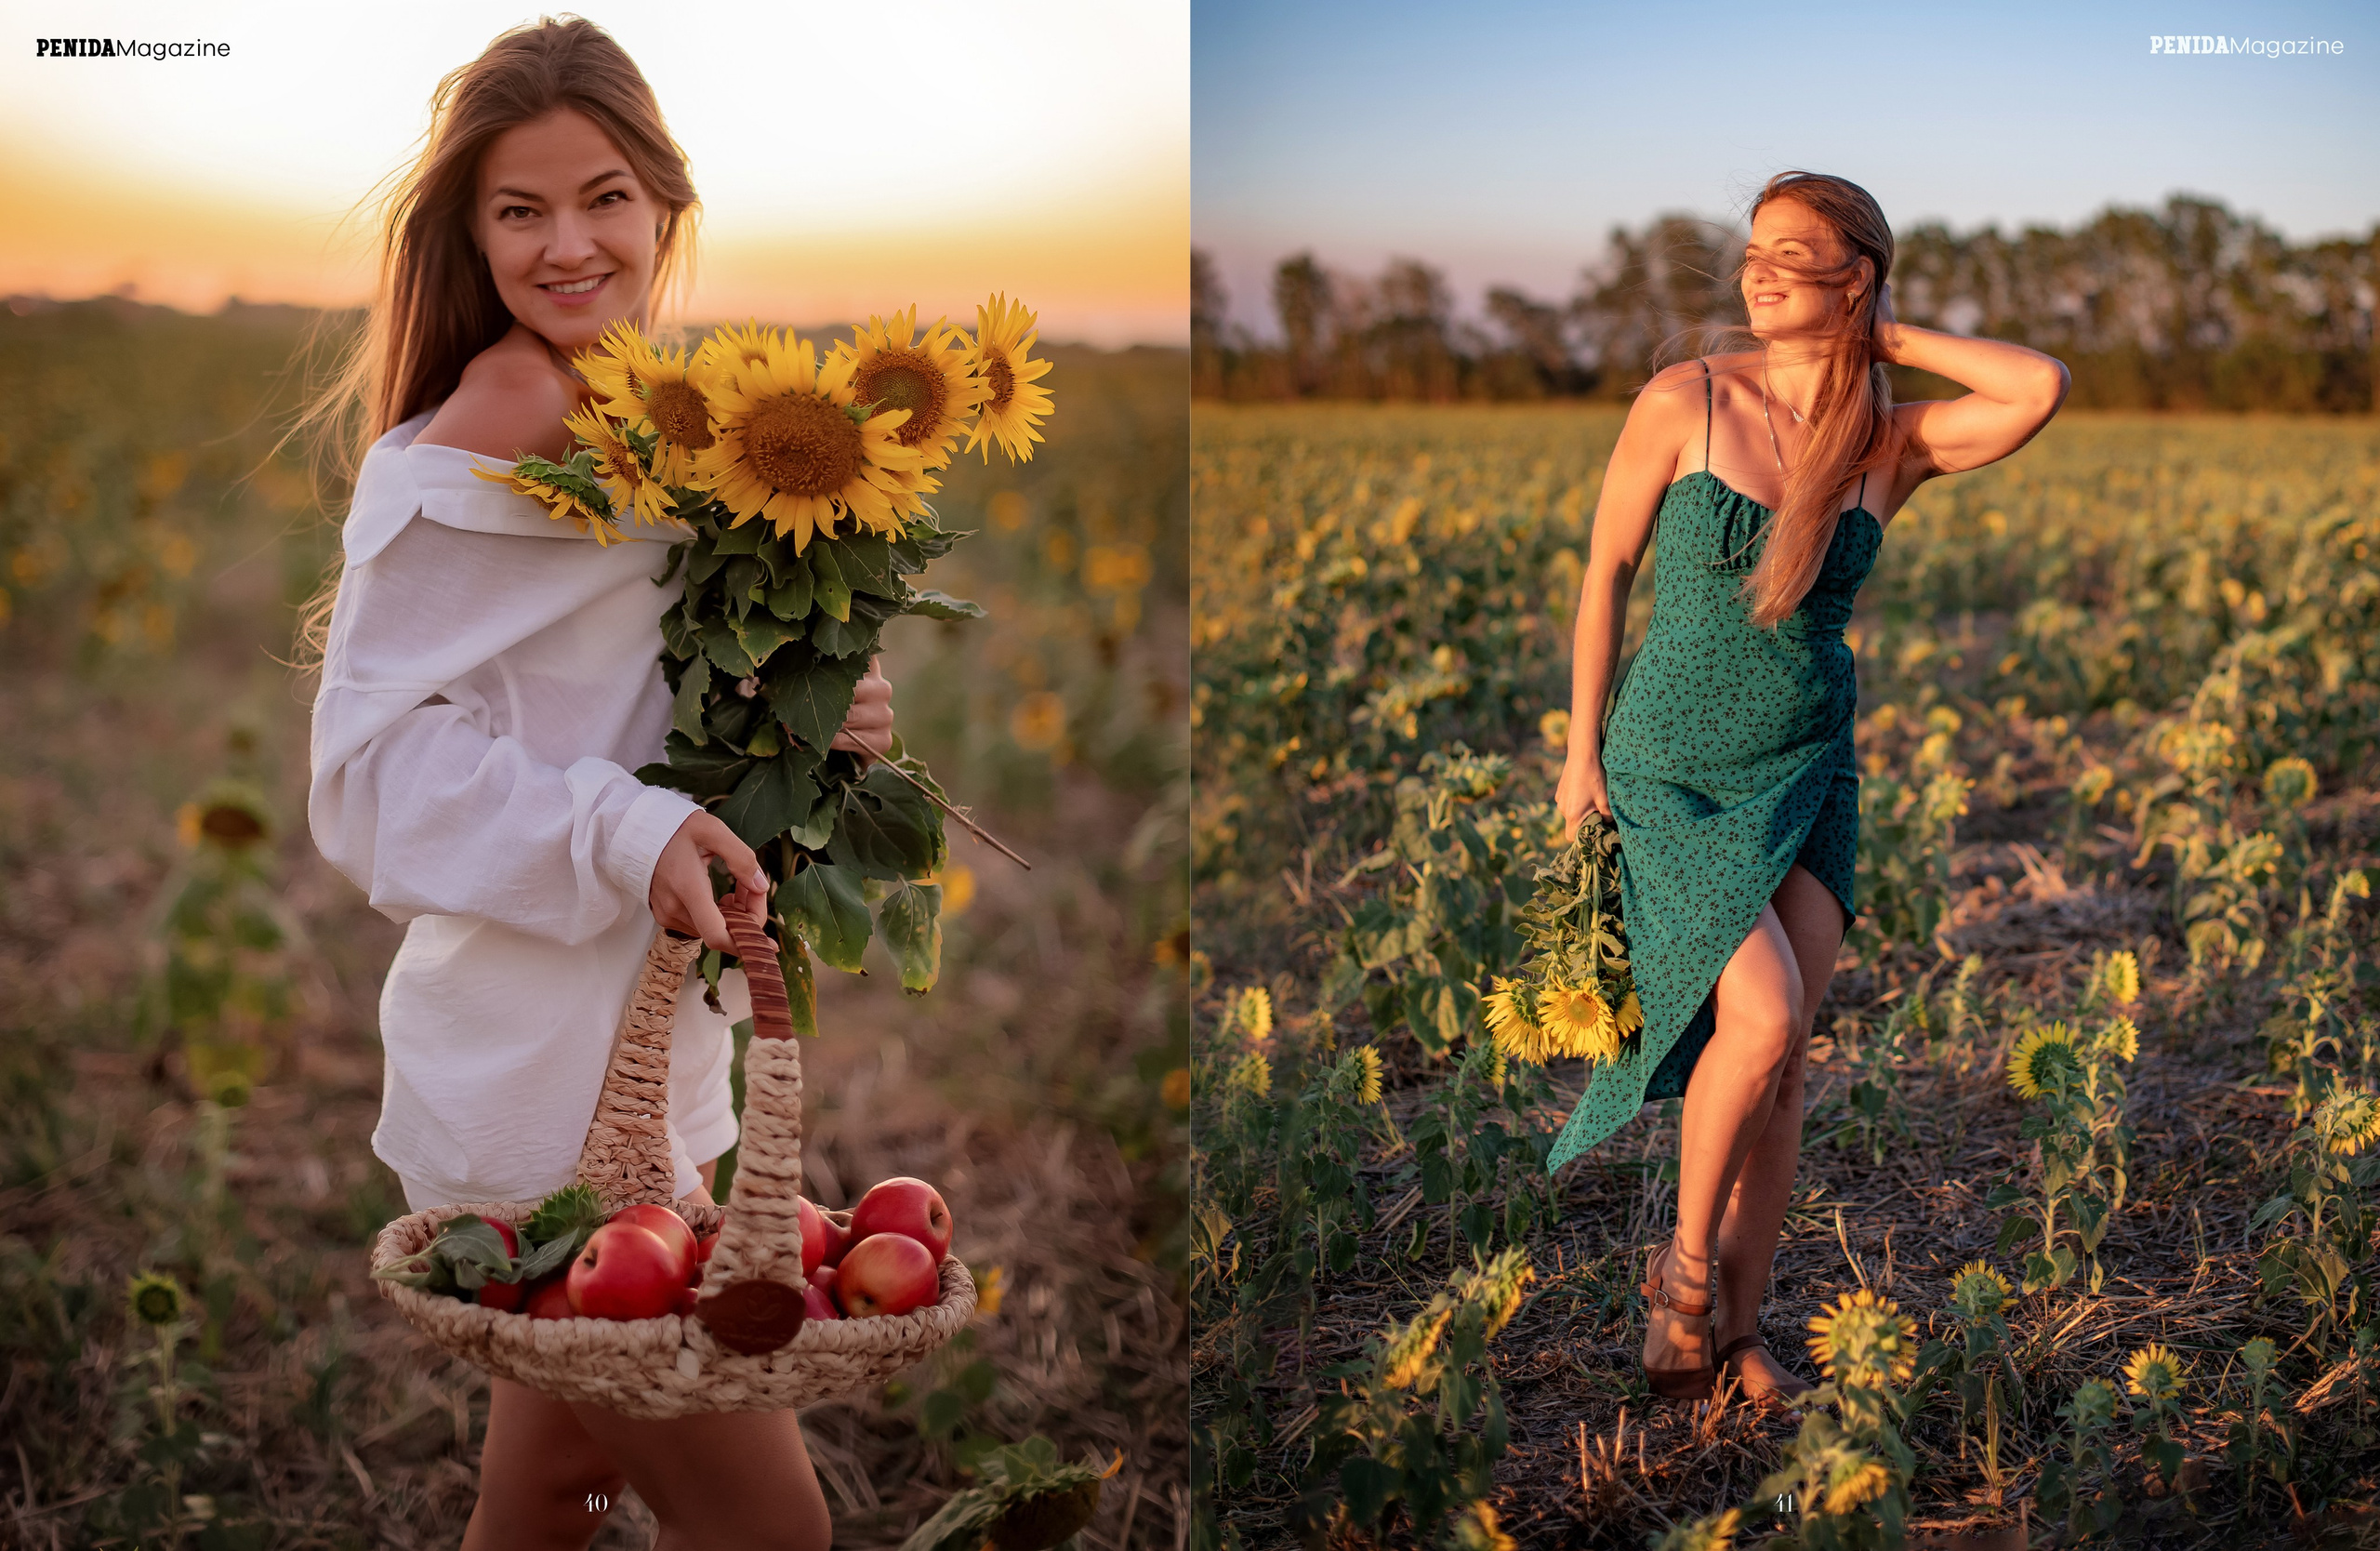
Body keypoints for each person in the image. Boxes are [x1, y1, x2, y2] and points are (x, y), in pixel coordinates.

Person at [299, 19, 879, 1548]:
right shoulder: (515, 407)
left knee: (552, 1493)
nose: (569, 243)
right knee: (778, 1536)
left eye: (605, 196)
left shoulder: (630, 401)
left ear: (666, 205)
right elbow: (370, 770)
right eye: (520, 210)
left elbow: (597, 699)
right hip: (542, 1071)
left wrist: (804, 714)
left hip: (618, 1054)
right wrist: (630, 830)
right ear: (470, 233)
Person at [1548, 171, 2069, 1409]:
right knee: (1764, 1015)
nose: (1758, 270)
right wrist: (1578, 759)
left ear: (1858, 275)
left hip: (1806, 770)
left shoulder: (1888, 438)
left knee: (1783, 1069)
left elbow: (2036, 386)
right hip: (1671, 766)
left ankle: (1737, 1335)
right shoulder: (1686, 399)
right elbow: (1602, 575)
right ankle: (1680, 1281)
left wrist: (1877, 339)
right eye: (1752, 251)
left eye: (1795, 253)